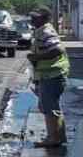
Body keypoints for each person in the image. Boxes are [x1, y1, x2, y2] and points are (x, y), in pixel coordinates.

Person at [28, 8, 70, 148]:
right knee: (50, 107)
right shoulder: (40, 30)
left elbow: (57, 50)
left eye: (35, 17)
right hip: (48, 75)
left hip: (53, 75)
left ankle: (53, 138)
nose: (32, 20)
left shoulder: (46, 31)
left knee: (49, 108)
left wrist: (36, 57)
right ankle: (58, 136)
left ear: (44, 18)